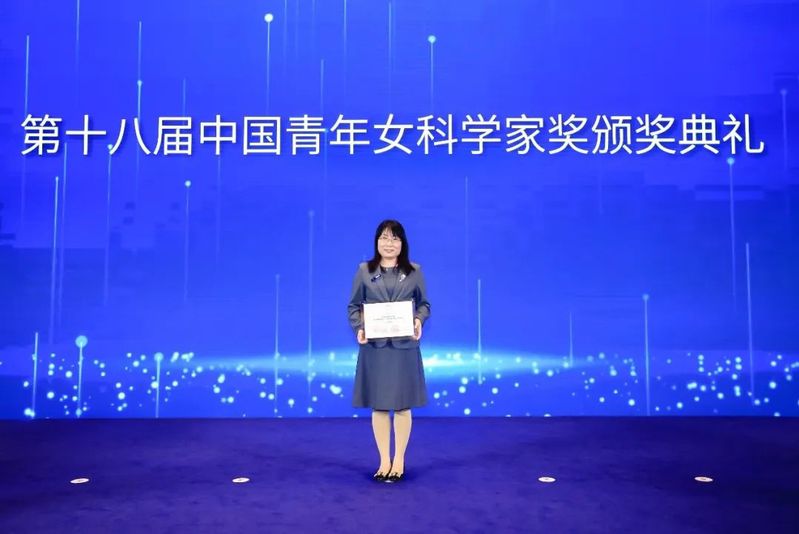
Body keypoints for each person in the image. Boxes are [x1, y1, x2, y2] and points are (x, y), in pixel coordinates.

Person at [348, 219, 430, 483]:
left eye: (395, 238)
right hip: (376, 349)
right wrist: (360, 328)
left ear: (402, 243)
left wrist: (418, 320)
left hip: (404, 347)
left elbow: (424, 305)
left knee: (403, 406)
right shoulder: (364, 271)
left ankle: (399, 460)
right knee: (380, 406)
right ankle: (384, 460)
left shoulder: (414, 271)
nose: (389, 243)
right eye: (384, 237)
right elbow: (353, 306)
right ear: (376, 242)